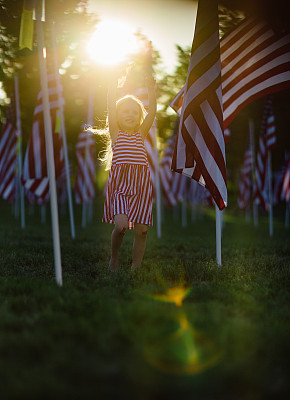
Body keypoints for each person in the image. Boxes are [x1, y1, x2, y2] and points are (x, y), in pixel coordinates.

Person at [101, 71, 156, 272]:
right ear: (116, 116)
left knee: (142, 231)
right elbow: (109, 106)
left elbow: (151, 114)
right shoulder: (116, 134)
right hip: (122, 187)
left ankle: (136, 267)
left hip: (141, 188)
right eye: (125, 111)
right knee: (121, 226)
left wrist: (151, 90)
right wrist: (112, 87)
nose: (130, 115)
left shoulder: (140, 135)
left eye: (134, 112)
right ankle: (114, 258)